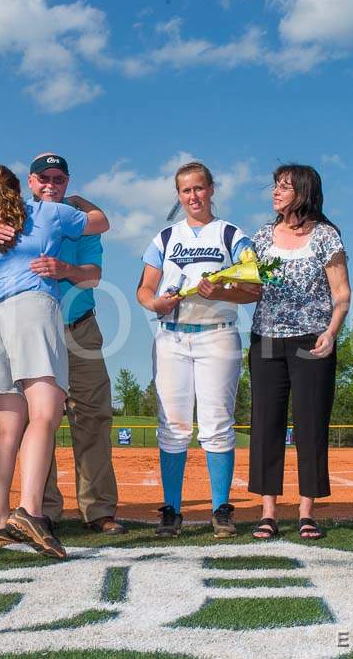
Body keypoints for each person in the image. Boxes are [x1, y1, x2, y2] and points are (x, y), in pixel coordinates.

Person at [0, 152, 124, 536]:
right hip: (34, 324)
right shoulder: (8, 220)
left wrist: (66, 270)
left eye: (59, 179)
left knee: (90, 416)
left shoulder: (69, 219)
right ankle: (41, 509)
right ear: (29, 182)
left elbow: (93, 275)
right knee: (40, 418)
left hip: (76, 328)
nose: (51, 184)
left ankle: (97, 509)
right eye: (43, 178)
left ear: (67, 183)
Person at [136, 161, 259, 538]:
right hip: (171, 337)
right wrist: (156, 304)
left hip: (217, 335)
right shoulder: (165, 238)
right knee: (172, 426)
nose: (194, 196)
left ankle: (220, 509)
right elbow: (144, 290)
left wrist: (220, 289)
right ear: (179, 195)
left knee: (216, 424)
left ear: (211, 190)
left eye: (200, 188)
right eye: (186, 190)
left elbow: (254, 288)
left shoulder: (231, 235)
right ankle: (171, 510)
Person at [247, 164, 350, 540]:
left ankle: (307, 512)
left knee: (310, 424)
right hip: (266, 339)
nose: (275, 192)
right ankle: (268, 512)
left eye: (284, 186)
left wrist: (332, 332)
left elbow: (342, 294)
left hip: (312, 340)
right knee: (265, 424)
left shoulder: (326, 237)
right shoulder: (261, 237)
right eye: (275, 185)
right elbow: (252, 287)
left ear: (303, 192)